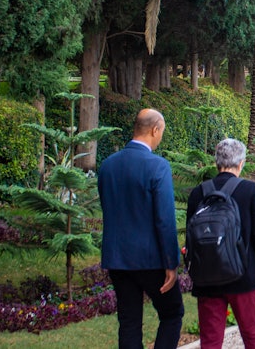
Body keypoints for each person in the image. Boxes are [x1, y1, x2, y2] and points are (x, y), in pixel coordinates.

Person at [98, 109, 184, 349]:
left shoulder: (107, 165)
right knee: (172, 313)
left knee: (129, 322)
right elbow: (165, 219)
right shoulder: (158, 166)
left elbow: (109, 208)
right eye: (162, 133)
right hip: (151, 260)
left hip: (117, 259)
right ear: (155, 130)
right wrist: (171, 262)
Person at [186, 139, 255, 349]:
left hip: (206, 277)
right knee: (252, 336)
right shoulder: (251, 190)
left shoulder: (198, 193)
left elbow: (190, 238)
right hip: (243, 275)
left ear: (216, 162)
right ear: (241, 163)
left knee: (210, 341)